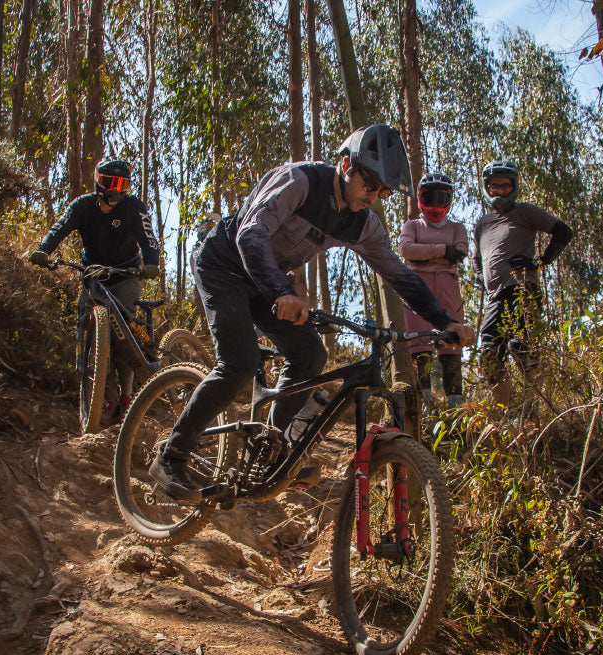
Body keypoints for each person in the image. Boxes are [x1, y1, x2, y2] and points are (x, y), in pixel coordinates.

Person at [150, 124, 476, 502]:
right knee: (239, 362)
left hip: (265, 283)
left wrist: (445, 321)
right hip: (223, 265)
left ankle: (269, 452)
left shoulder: (363, 222)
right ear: (344, 165)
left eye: (382, 191)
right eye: (369, 183)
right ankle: (171, 456)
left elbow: (399, 275)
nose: (373, 196)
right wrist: (283, 292)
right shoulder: (300, 181)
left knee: (311, 355)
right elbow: (250, 234)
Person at [26, 159, 163, 424]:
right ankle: (107, 399)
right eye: (112, 183)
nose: (118, 190)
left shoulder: (133, 207)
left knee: (123, 331)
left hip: (126, 275)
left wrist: (151, 264)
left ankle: (128, 395)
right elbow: (60, 227)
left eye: (123, 184)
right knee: (96, 334)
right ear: (99, 182)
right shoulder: (82, 206)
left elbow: (148, 238)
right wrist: (44, 249)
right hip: (93, 276)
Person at [471, 159, 572, 405]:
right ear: (486, 188)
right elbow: (476, 261)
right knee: (489, 356)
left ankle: (533, 410)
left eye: (504, 186)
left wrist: (541, 260)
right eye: (493, 187)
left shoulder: (525, 211)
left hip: (522, 289)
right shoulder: (482, 223)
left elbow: (563, 232)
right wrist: (485, 280)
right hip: (496, 298)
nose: (498, 191)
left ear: (513, 187)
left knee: (524, 349)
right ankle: (506, 413)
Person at [397, 171, 467, 409]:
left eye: (442, 198)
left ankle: (455, 408)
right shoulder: (412, 225)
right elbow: (406, 249)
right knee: (420, 346)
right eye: (430, 197)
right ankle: (424, 406)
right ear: (420, 198)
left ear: (449, 200)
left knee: (452, 343)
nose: (436, 204)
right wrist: (441, 251)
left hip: (448, 289)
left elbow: (459, 252)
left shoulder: (457, 227)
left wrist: (424, 255)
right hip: (417, 290)